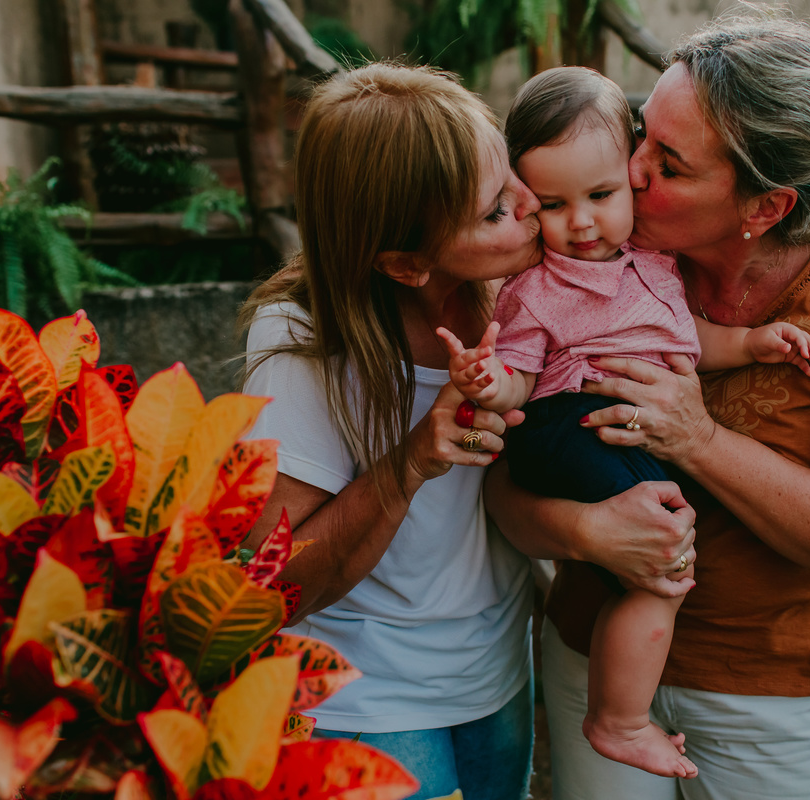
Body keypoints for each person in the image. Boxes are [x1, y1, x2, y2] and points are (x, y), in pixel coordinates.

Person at [485, 10, 810, 800]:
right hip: (593, 662)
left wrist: (697, 439)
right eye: (639, 135)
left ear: (764, 207)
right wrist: (588, 531)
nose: (630, 172)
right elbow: (500, 484)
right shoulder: (589, 258)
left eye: (669, 161)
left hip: (774, 699)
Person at [436, 65, 810, 780]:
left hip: (608, 428)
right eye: (552, 205)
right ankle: (617, 719)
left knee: (657, 557)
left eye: (602, 195)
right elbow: (518, 375)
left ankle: (619, 709)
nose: (581, 223)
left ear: (629, 173)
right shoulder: (537, 287)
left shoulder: (653, 261)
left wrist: (756, 343)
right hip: (564, 424)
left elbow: (683, 340)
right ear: (524, 201)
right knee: (665, 562)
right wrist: (489, 382)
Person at [239, 63, 549, 800]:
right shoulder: (303, 341)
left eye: (513, 178)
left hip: (499, 675)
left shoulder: (524, 294)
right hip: (364, 699)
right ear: (405, 263)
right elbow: (274, 583)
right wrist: (410, 462)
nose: (535, 206)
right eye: (496, 210)